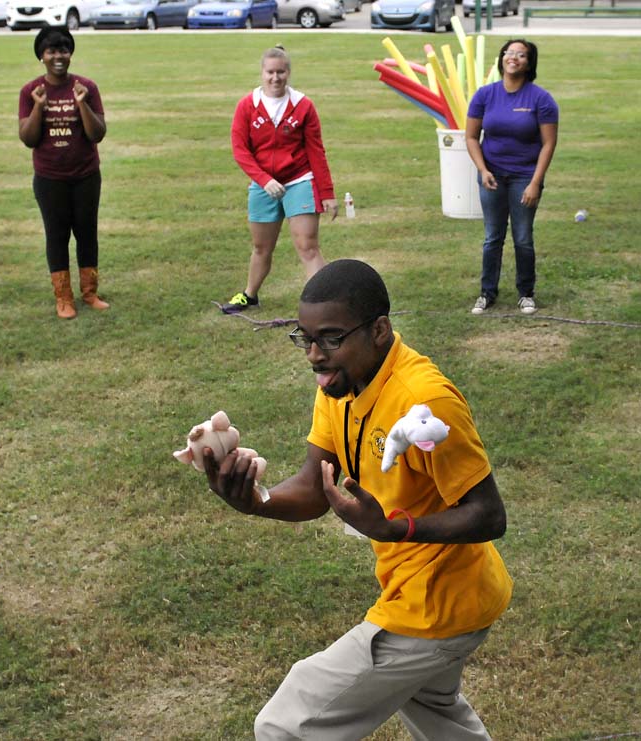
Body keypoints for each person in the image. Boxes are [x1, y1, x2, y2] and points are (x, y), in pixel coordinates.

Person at [204, 259, 513, 740]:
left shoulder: (425, 402)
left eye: (329, 338)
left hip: (436, 609)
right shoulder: (339, 384)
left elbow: (489, 515)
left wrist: (397, 529)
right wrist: (255, 500)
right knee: (440, 717)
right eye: (304, 338)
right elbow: (313, 487)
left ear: (380, 331)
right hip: (431, 595)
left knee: (286, 726)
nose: (313, 355)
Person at [221, 45, 338, 314]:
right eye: (270, 72)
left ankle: (326, 305)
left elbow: (316, 151)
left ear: (289, 73)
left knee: (307, 246)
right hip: (264, 185)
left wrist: (327, 192)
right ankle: (249, 295)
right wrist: (263, 180)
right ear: (262, 73)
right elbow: (241, 150)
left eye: (281, 72)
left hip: (300, 180)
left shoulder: (303, 105)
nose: (276, 78)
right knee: (262, 247)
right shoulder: (247, 106)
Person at [19, 26, 108, 320]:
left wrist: (82, 103)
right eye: (51, 51)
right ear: (41, 56)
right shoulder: (31, 91)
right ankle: (63, 298)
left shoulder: (87, 87)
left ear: (70, 54)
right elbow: (28, 138)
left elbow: (97, 134)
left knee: (86, 233)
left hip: (85, 175)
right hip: (49, 178)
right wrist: (38, 107)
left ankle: (90, 292)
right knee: (56, 237)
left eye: (63, 50)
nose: (58, 56)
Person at [466, 39, 558, 316]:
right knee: (492, 237)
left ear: (529, 63)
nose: (514, 58)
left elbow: (548, 144)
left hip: (524, 177)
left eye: (521, 55)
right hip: (491, 175)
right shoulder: (485, 95)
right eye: (509, 53)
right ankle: (487, 293)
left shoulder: (541, 99)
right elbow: (471, 137)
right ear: (502, 58)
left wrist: (534, 182)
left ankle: (526, 294)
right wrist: (483, 170)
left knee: (522, 237)